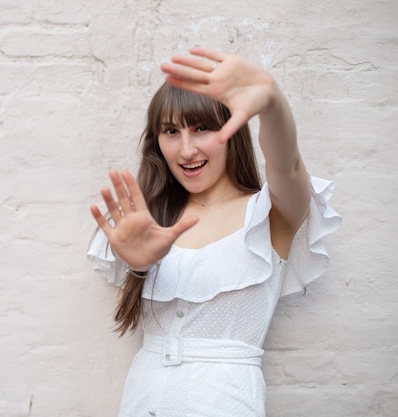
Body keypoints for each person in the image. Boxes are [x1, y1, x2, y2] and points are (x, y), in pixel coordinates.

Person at [86, 47, 342, 417]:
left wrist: (271, 102)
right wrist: (139, 267)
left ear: (232, 129)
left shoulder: (267, 213)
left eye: (202, 127)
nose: (187, 149)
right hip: (142, 401)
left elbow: (288, 164)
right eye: (171, 131)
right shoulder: (148, 218)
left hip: (225, 403)